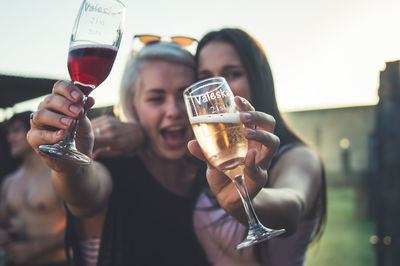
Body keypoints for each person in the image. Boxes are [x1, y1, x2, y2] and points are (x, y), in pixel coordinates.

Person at [27, 40, 280, 265]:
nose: (173, 111)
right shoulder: (115, 167)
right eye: (156, 99)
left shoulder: (208, 174)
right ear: (132, 107)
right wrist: (69, 170)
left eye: (183, 97)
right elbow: (83, 193)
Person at [91, 28, 327, 266]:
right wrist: (141, 133)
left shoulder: (298, 155)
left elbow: (292, 207)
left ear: (258, 78)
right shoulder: (208, 156)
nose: (216, 90)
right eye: (205, 77)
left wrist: (247, 201)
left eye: (232, 74)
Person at [0, 111, 67, 266]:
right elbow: (3, 223)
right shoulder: (9, 182)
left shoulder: (58, 175)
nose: (10, 138)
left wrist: (34, 249)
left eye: (16, 131)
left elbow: (80, 229)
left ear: (35, 132)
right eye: (8, 133)